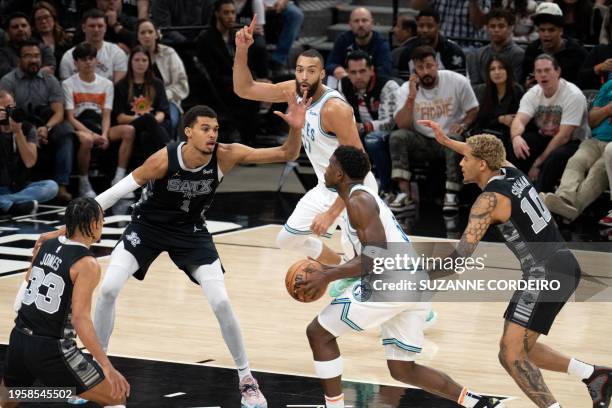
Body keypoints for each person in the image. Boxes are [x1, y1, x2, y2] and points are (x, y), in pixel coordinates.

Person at [35, 99, 312, 408]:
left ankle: (247, 379)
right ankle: (96, 372)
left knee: (220, 300)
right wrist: (65, 228)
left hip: (190, 231)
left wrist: (296, 129)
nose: (212, 135)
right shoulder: (162, 160)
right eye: (205, 129)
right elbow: (114, 194)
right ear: (188, 132)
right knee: (110, 288)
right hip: (147, 227)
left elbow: (288, 153)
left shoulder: (226, 155)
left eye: (216, 129)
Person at [420, 118, 612, 408]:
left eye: (466, 159)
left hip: (544, 273)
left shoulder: (488, 201)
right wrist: (447, 141)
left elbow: (460, 258)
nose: (461, 163)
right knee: (522, 348)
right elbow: (489, 152)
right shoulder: (511, 171)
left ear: (482, 164)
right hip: (561, 265)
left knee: (511, 354)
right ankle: (594, 375)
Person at [300, 145, 504, 408]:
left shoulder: (358, 201)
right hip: (413, 283)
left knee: (318, 333)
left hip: (392, 283)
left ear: (339, 174)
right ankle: (477, 402)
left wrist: (327, 275)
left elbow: (376, 256)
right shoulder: (362, 197)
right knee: (403, 370)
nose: (325, 170)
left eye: (329, 165)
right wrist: (330, 272)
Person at [233, 17, 378, 265]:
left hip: (354, 189)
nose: (303, 76)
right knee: (287, 240)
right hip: (325, 185)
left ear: (322, 74)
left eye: (311, 71)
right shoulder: (292, 91)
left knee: (366, 263)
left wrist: (331, 213)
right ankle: (337, 266)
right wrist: (241, 50)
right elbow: (244, 89)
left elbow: (361, 165)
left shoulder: (334, 109)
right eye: (300, 69)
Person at [0, 197, 130, 408]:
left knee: (8, 401)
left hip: (19, 339)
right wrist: (107, 366)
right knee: (116, 396)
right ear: (94, 224)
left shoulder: (47, 244)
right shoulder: (87, 264)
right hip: (52, 348)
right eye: (102, 220)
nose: (103, 225)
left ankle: (58, 393)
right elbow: (80, 319)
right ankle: (62, 392)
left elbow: (29, 278)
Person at [389, 45, 479, 213]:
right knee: (398, 136)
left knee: (455, 139)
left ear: (436, 64)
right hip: (422, 141)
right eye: (420, 68)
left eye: (429, 66)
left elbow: (473, 109)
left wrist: (464, 124)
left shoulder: (457, 81)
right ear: (414, 69)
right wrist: (411, 96)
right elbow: (403, 125)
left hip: (447, 139)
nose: (426, 72)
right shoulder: (406, 90)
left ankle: (452, 195)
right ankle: (404, 194)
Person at [0, 40, 74, 203]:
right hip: (14, 123)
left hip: (42, 124)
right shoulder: (8, 81)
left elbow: (59, 112)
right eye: (28, 56)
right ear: (19, 60)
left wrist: (45, 128)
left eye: (36, 56)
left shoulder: (50, 80)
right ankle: (13, 202)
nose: (33, 60)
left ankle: (61, 185)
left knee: (66, 131)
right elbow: (7, 110)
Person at [62, 42, 134, 198]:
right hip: (79, 126)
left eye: (91, 58)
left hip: (100, 124)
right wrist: (93, 134)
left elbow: (106, 115)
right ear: (76, 63)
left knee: (129, 130)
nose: (88, 62)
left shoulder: (107, 84)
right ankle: (84, 182)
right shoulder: (68, 84)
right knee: (87, 140)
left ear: (96, 61)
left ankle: (119, 179)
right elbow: (70, 117)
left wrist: (105, 135)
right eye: (83, 59)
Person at [510, 54, 590, 193]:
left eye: (547, 70)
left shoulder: (573, 95)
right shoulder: (533, 93)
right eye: (539, 71)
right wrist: (516, 137)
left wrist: (538, 163)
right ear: (534, 74)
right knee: (520, 144)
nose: (543, 75)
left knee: (556, 156)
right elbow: (519, 119)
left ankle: (541, 203)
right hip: (546, 137)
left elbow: (564, 136)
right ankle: (516, 195)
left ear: (558, 71)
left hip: (574, 142)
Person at [541, 79, 612, 222]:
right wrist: (608, 109)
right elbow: (591, 121)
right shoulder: (609, 85)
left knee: (597, 171)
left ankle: (570, 208)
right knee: (577, 161)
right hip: (595, 140)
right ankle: (564, 198)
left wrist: (602, 112)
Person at [339, 50, 399, 196]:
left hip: (389, 133)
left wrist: (364, 127)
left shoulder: (388, 86)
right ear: (347, 72)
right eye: (353, 72)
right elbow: (342, 114)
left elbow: (391, 122)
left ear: (371, 70)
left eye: (362, 71)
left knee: (372, 140)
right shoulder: (344, 85)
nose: (358, 76)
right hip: (359, 131)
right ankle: (343, 189)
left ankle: (386, 189)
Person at [113, 45, 171, 181]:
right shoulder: (121, 85)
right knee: (147, 118)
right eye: (137, 60)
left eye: (144, 60)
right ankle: (171, 150)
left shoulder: (157, 84)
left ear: (149, 63)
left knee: (147, 136)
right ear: (130, 62)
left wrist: (152, 123)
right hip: (132, 125)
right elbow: (120, 118)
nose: (140, 63)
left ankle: (151, 180)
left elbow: (163, 111)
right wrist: (146, 119)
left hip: (153, 126)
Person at [0, 89, 58, 216]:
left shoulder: (27, 128)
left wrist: (18, 132)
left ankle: (5, 203)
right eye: (2, 109)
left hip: (19, 186)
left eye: (9, 107)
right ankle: (14, 205)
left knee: (51, 187)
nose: (7, 113)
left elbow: (30, 162)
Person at [136, 18, 189, 138]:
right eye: (143, 33)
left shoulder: (169, 53)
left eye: (150, 32)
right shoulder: (132, 57)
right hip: (141, 102)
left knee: (170, 122)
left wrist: (162, 96)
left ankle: (170, 150)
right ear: (137, 36)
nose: (147, 35)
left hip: (169, 102)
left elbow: (182, 85)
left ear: (156, 34)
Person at [520, 2, 587, 88]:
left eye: (551, 30)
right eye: (542, 30)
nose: (546, 34)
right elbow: (522, 80)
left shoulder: (577, 52)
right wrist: (526, 84)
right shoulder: (532, 50)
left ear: (561, 31)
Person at [59, 9, 128, 83]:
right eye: (92, 26)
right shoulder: (69, 56)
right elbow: (66, 88)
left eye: (100, 26)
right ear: (83, 28)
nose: (96, 30)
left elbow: (119, 88)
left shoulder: (117, 53)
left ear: (105, 28)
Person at [472, 55, 524, 154]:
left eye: (501, 68)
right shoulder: (485, 91)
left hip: (508, 136)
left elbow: (518, 118)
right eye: (492, 69)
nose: (497, 72)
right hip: (487, 135)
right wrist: (500, 119)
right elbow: (481, 120)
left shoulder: (517, 90)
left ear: (508, 71)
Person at [394, 9, 466, 80]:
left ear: (438, 27)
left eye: (430, 26)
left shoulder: (454, 52)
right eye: (421, 26)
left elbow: (460, 84)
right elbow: (405, 85)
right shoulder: (407, 53)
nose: (425, 30)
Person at [325, 7, 392, 81]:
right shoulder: (343, 39)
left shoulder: (381, 43)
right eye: (356, 21)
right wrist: (336, 69)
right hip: (347, 83)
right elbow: (329, 64)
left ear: (372, 23)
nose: (360, 24)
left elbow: (385, 71)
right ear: (350, 24)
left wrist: (361, 74)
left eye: (364, 20)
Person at [469, 8, 524, 85]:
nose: (496, 30)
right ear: (487, 29)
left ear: (510, 28)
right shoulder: (477, 54)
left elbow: (514, 86)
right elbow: (474, 86)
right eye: (492, 26)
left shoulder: (518, 54)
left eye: (501, 26)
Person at [32, 1, 74, 65]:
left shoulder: (65, 39)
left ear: (53, 18)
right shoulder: (32, 42)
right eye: (39, 19)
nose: (43, 21)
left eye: (46, 17)